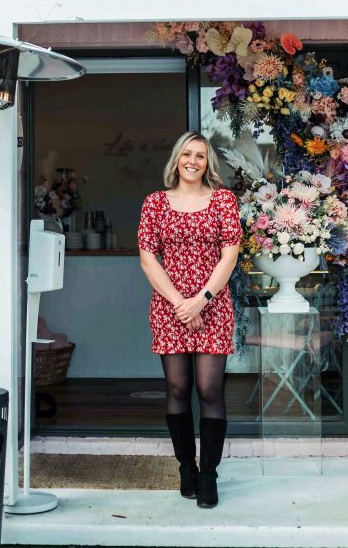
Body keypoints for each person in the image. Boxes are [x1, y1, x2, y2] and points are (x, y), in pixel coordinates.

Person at [137, 131, 241, 509]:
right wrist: (182, 303)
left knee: (210, 391)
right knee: (178, 390)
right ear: (176, 160)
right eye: (186, 154)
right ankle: (186, 467)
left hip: (212, 305)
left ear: (207, 162)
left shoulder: (224, 201)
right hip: (170, 305)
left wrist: (201, 300)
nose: (193, 161)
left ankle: (210, 474)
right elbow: (148, 259)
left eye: (200, 155)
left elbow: (229, 255)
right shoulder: (155, 203)